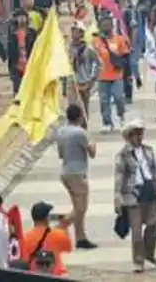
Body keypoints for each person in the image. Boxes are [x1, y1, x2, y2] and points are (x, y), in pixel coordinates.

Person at [113, 119, 156, 272]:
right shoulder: (123, 154)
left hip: (149, 191)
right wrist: (117, 195)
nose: (139, 136)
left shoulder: (148, 150)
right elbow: (119, 175)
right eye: (136, 134)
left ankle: (148, 252)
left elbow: (154, 171)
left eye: (141, 133)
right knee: (136, 231)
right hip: (132, 194)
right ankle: (138, 260)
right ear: (129, 136)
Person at [54, 103, 97, 248]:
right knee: (81, 208)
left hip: (65, 171)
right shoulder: (80, 133)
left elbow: (61, 154)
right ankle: (60, 227)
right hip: (78, 174)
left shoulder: (61, 132)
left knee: (77, 206)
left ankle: (81, 237)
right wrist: (92, 143)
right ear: (80, 117)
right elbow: (92, 154)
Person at [20, 201, 73, 275]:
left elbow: (24, 259)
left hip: (36, 275)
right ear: (47, 218)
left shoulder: (25, 237)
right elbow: (68, 248)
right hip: (56, 275)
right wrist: (64, 227)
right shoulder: (58, 234)